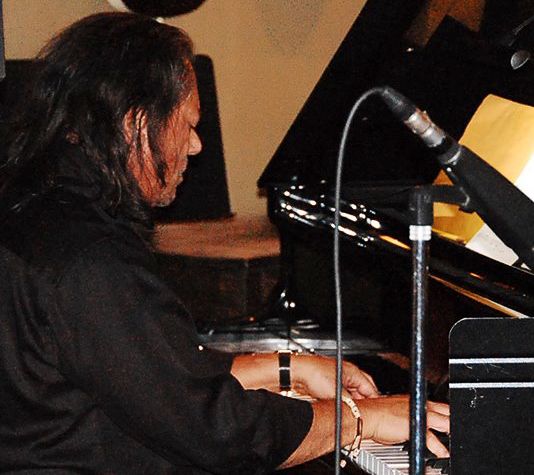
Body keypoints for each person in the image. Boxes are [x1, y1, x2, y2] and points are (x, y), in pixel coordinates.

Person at [0, 12, 449, 474]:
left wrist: (287, 367)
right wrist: (361, 419)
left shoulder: (37, 211)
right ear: (138, 124)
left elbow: (157, 377)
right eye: (189, 124)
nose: (196, 146)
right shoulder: (89, 258)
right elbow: (218, 432)